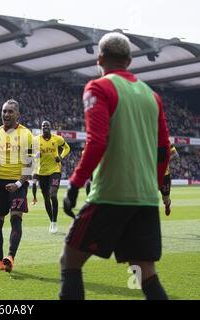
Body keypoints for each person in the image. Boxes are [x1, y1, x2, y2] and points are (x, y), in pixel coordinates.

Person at [61, 32, 170, 300]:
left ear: (100, 59)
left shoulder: (98, 87)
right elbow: (163, 150)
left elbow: (97, 141)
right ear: (129, 61)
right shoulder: (151, 95)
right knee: (145, 271)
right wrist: (154, 185)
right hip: (144, 197)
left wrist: (75, 183)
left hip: (110, 195)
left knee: (70, 262)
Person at [0, 99, 33, 273]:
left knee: (15, 218)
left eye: (10, 112)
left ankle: (10, 257)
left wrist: (18, 183)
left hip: (18, 183)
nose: (6, 114)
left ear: (18, 115)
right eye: (4, 111)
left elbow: (30, 165)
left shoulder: (26, 134)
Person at [32, 121, 70, 233]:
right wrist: (35, 155)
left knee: (53, 195)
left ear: (50, 127)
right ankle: (51, 222)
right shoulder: (35, 140)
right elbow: (27, 152)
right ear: (41, 128)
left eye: (47, 126)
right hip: (42, 172)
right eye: (43, 126)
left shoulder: (57, 139)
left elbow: (67, 148)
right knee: (46, 198)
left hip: (55, 170)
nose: (45, 127)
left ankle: (54, 221)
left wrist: (61, 156)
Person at [160, 145, 178, 216]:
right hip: (152, 173)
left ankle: (167, 205)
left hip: (165, 175)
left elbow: (175, 155)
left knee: (166, 199)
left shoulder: (167, 142)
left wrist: (165, 160)